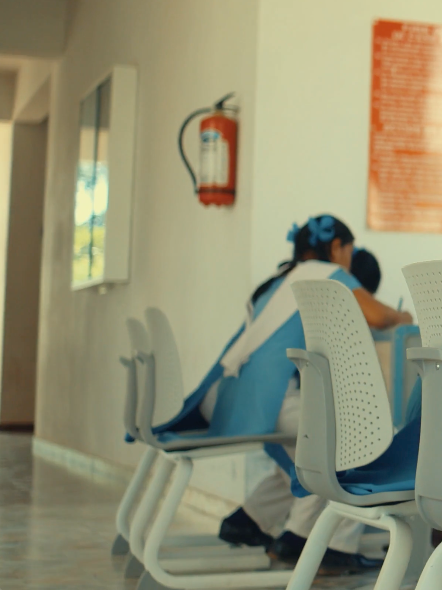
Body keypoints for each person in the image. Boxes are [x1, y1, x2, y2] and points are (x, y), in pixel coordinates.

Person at [149, 216, 412, 574]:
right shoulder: (324, 272)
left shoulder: (283, 277)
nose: (349, 262)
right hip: (266, 398)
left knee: (310, 450)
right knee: (352, 440)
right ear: (336, 247)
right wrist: (403, 315)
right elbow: (379, 316)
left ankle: (256, 522)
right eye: (349, 252)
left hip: (229, 394)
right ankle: (317, 544)